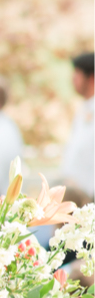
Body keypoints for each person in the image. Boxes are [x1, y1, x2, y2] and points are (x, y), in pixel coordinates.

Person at [62, 52, 94, 202]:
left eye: (77, 75)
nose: (73, 79)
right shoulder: (83, 109)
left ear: (91, 78)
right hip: (76, 193)